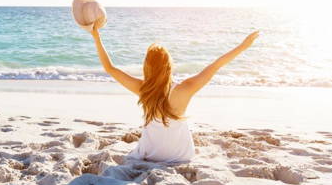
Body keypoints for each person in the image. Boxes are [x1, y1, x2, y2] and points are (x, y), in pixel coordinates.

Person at [88, 16, 258, 163]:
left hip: (149, 155)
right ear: (169, 66)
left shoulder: (143, 89)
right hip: (180, 155)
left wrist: (96, 37)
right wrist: (243, 46)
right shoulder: (186, 88)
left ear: (146, 66)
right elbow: (215, 65)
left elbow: (110, 68)